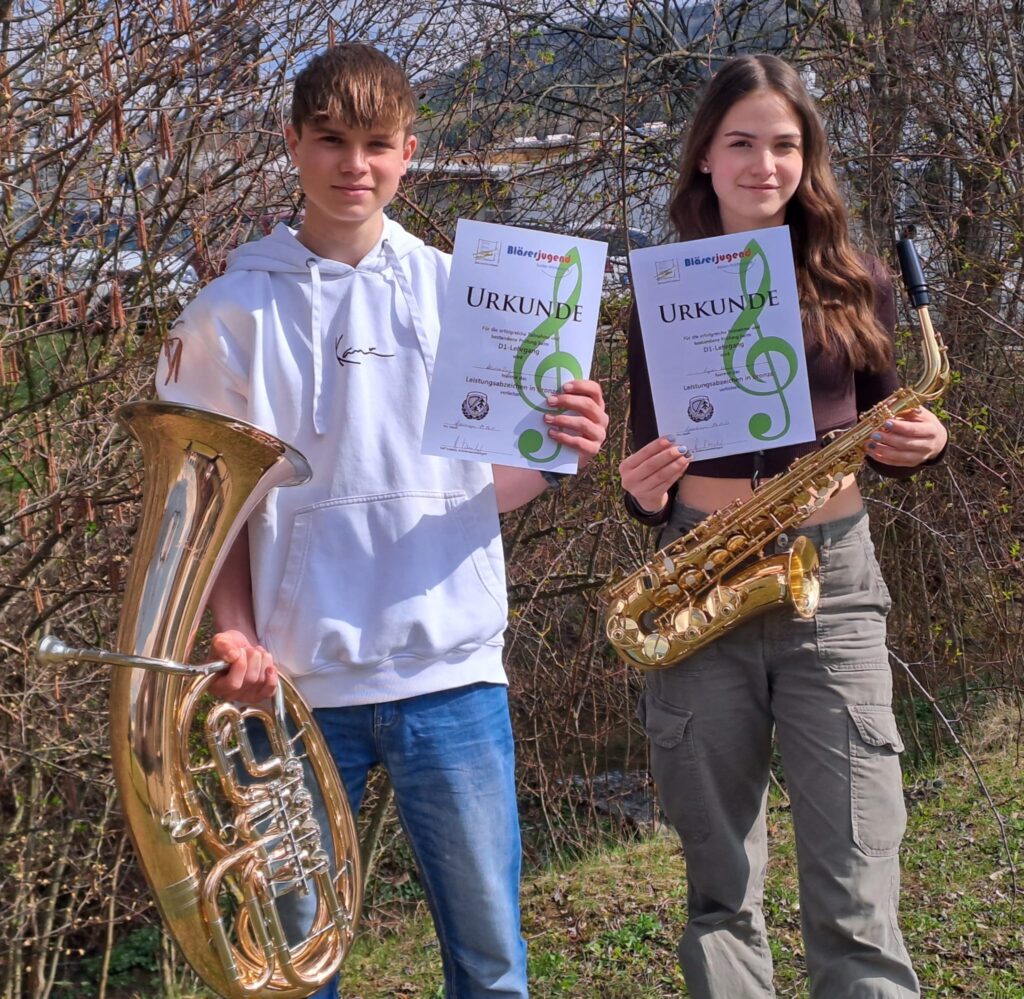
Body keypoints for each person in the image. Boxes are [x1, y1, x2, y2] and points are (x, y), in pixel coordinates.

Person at [156, 43, 608, 999]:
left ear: (409, 151)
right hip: (293, 692)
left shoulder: (464, 294)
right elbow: (207, 509)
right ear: (292, 144)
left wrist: (558, 447)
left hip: (453, 673)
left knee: (491, 966)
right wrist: (231, 631)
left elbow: (482, 488)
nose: (353, 164)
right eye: (330, 140)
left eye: (375, 143)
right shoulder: (230, 313)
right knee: (293, 975)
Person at [619, 55, 946, 999]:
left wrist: (920, 442)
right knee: (720, 886)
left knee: (856, 876)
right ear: (705, 161)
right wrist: (640, 490)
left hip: (832, 583)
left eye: (785, 144)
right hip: (697, 581)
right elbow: (648, 462)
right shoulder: (657, 291)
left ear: (809, 158)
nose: (765, 163)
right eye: (742, 143)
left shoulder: (861, 282)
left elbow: (903, 424)